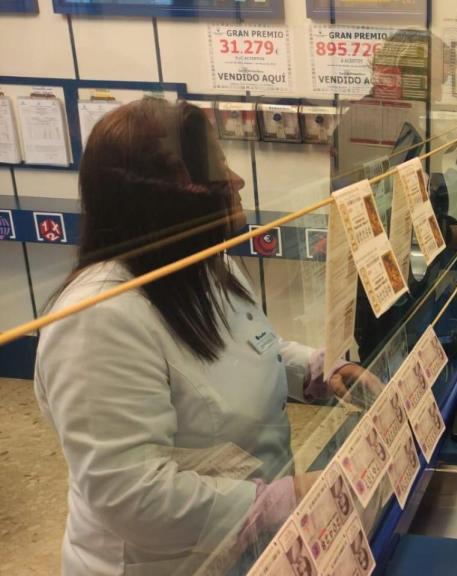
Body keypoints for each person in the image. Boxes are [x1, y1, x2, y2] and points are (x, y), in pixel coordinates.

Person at [33, 98, 365, 576]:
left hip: (247, 546)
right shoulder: (97, 318)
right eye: (216, 167)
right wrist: (282, 500)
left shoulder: (203, 264)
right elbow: (132, 494)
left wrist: (320, 369)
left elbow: (249, 347)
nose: (237, 180)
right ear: (164, 195)